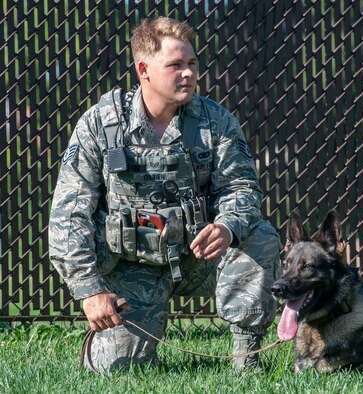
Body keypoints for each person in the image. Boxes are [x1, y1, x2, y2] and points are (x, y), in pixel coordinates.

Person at [48, 16, 281, 371]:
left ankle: (245, 355)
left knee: (259, 236)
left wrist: (227, 227)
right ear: (144, 69)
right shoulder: (101, 124)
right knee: (119, 371)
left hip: (196, 258)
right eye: (175, 65)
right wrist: (89, 291)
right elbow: (69, 215)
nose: (188, 73)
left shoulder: (215, 122)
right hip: (130, 267)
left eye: (191, 63)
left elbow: (242, 189)